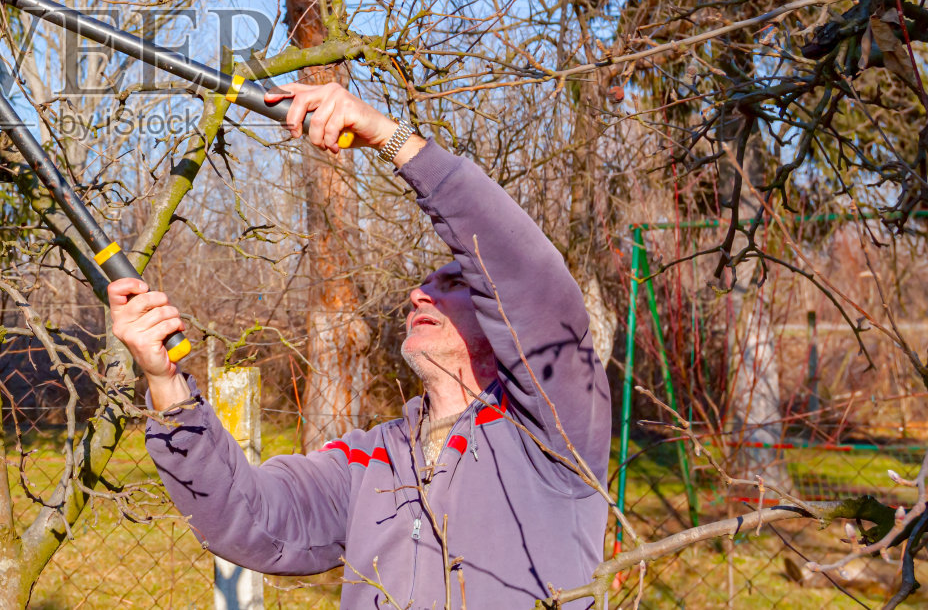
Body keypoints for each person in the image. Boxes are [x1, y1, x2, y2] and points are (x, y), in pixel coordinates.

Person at [109, 81, 610, 609]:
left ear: (495, 311)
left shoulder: (554, 428)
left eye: (452, 283)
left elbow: (530, 279)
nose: (419, 294)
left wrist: (388, 138)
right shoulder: (371, 459)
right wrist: (166, 383)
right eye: (423, 285)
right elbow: (247, 519)